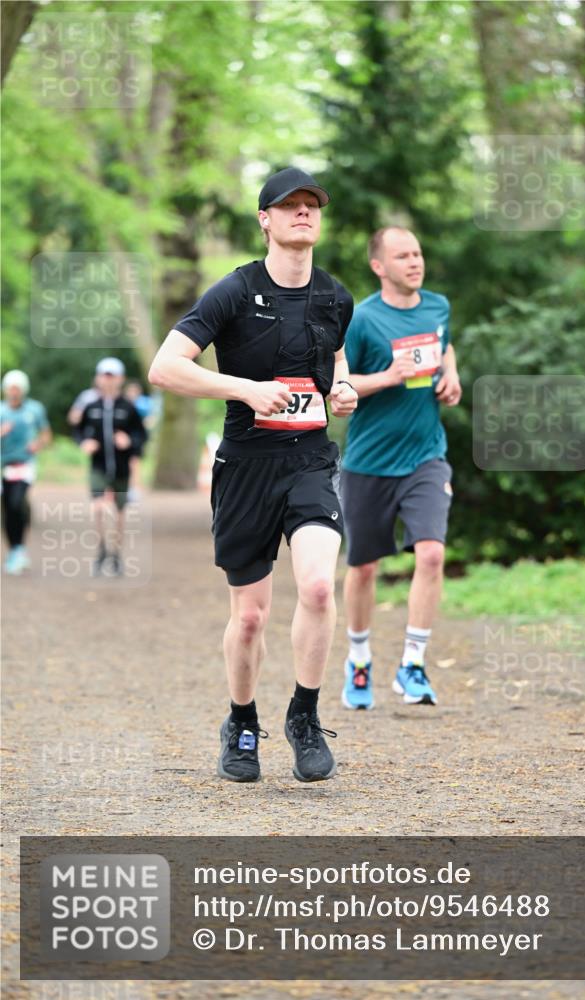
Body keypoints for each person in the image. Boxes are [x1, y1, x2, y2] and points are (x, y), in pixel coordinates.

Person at [148, 166, 357, 784]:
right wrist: (243, 389)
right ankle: (241, 721)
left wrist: (341, 387)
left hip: (311, 460)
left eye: (311, 205)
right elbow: (165, 368)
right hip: (244, 468)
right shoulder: (233, 293)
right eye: (289, 205)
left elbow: (336, 355)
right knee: (251, 617)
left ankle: (305, 715)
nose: (303, 213)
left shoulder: (335, 296)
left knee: (320, 587)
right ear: (264, 220)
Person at [340, 227, 461, 710]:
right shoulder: (362, 320)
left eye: (418, 252)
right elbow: (339, 384)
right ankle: (359, 659)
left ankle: (413, 663)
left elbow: (445, 346)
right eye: (402, 255)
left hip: (425, 456)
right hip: (368, 462)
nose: (414, 262)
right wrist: (388, 377)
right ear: (379, 266)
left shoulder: (438, 306)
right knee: (364, 567)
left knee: (431, 553)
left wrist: (451, 373)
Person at [78, 357, 147, 576]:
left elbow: (142, 434)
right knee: (97, 507)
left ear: (120, 379)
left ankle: (115, 555)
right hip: (97, 466)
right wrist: (84, 442)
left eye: (112, 376)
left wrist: (130, 442)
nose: (108, 380)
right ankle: (101, 550)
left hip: (121, 468)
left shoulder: (128, 407)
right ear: (98, 378)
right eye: (104, 376)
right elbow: (78, 430)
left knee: (119, 512)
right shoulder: (91, 406)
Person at [1, 370, 51, 574]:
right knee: (7, 510)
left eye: (17, 389)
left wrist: (37, 444)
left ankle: (19, 549)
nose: (14, 392)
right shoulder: (1, 411)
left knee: (16, 502)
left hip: (24, 465)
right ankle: (14, 550)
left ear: (23, 390)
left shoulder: (35, 409)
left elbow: (46, 435)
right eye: (10, 388)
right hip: (3, 465)